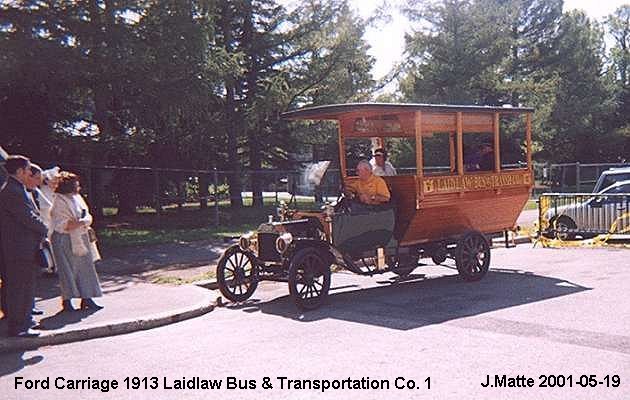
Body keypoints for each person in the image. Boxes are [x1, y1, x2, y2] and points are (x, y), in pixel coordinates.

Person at [0, 155, 48, 337]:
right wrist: (44, 228)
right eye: (28, 170)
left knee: (22, 286)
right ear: (20, 171)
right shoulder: (13, 191)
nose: (30, 173)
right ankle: (19, 326)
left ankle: (23, 322)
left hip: (21, 247)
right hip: (19, 248)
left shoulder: (16, 188)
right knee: (20, 288)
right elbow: (27, 217)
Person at [50, 171, 103, 312]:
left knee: (85, 269)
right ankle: (67, 301)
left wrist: (83, 221)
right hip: (64, 239)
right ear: (68, 185)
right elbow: (65, 224)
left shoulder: (77, 198)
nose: (78, 186)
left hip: (80, 236)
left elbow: (86, 216)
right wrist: (82, 222)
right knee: (68, 270)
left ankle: (87, 298)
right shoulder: (59, 201)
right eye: (76, 183)